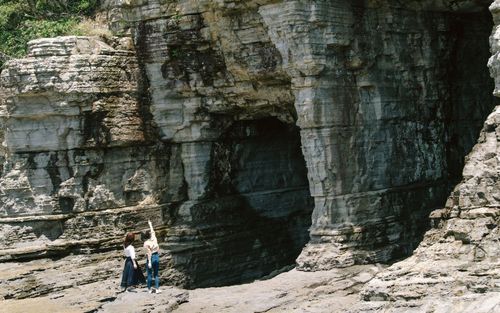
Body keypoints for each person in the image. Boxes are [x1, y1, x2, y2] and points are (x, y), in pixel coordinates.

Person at [143, 219, 161, 294]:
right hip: (156, 256)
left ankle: (149, 289)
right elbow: (152, 231)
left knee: (149, 275)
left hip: (151, 258)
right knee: (156, 274)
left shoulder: (146, 243)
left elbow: (149, 253)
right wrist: (150, 224)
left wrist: (149, 261)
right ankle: (157, 289)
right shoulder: (154, 238)